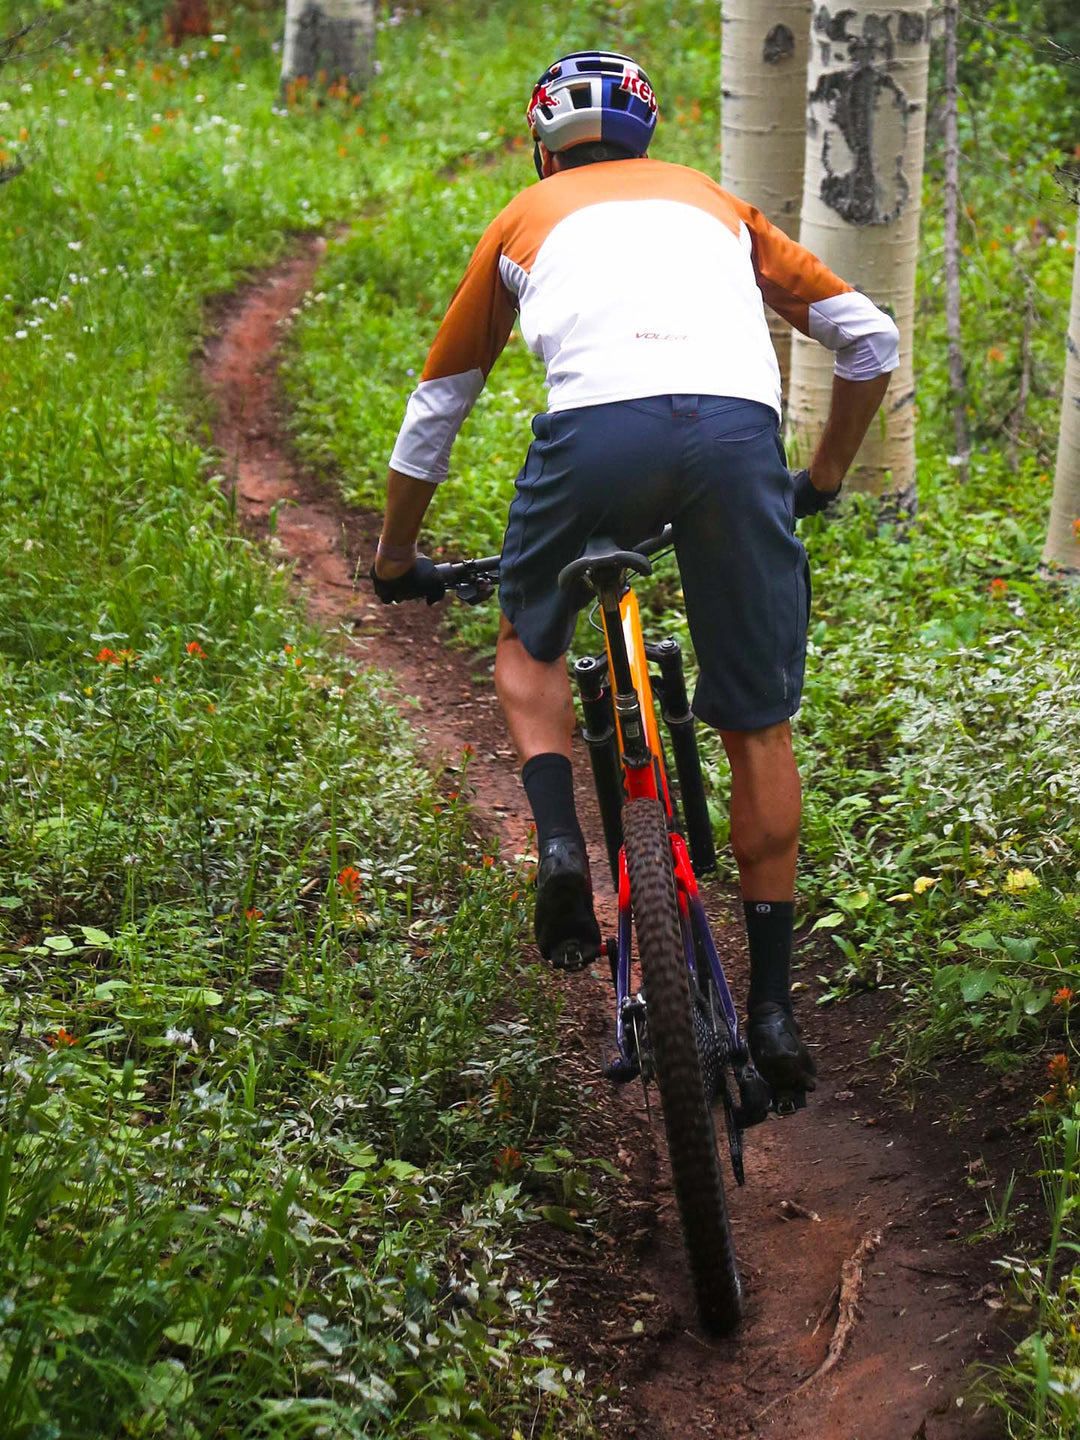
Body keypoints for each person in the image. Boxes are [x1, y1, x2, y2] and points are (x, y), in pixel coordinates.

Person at [371, 51, 898, 1099]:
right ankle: (779, 1011)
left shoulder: (525, 217)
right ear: (648, 138)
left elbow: (437, 410)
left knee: (529, 647)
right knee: (757, 724)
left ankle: (564, 848)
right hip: (741, 444)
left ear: (543, 143)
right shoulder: (715, 205)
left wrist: (396, 559)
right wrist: (823, 479)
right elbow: (867, 337)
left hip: (594, 443)